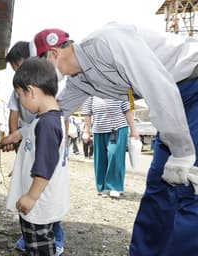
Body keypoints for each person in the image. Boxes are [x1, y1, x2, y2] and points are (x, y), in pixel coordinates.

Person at [23, 24, 197, 255]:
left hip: (191, 84)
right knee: (160, 185)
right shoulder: (81, 79)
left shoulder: (108, 41)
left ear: (53, 54)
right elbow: (55, 110)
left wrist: (182, 152)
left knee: (190, 184)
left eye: (39, 67)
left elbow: (159, 87)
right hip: (173, 100)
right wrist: (21, 134)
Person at [0, 57, 70, 255]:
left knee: (39, 246)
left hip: (39, 201)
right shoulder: (50, 117)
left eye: (19, 95)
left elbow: (45, 166)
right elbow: (29, 129)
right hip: (39, 201)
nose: (20, 100)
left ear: (30, 91)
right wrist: (14, 136)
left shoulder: (47, 125)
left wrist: (31, 196)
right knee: (35, 244)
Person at [82, 96, 138, 198]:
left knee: (114, 155)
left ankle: (115, 186)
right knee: (100, 159)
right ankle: (103, 187)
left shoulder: (119, 88)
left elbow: (127, 111)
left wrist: (133, 130)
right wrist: (86, 131)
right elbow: (87, 113)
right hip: (99, 129)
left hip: (118, 128)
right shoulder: (90, 93)